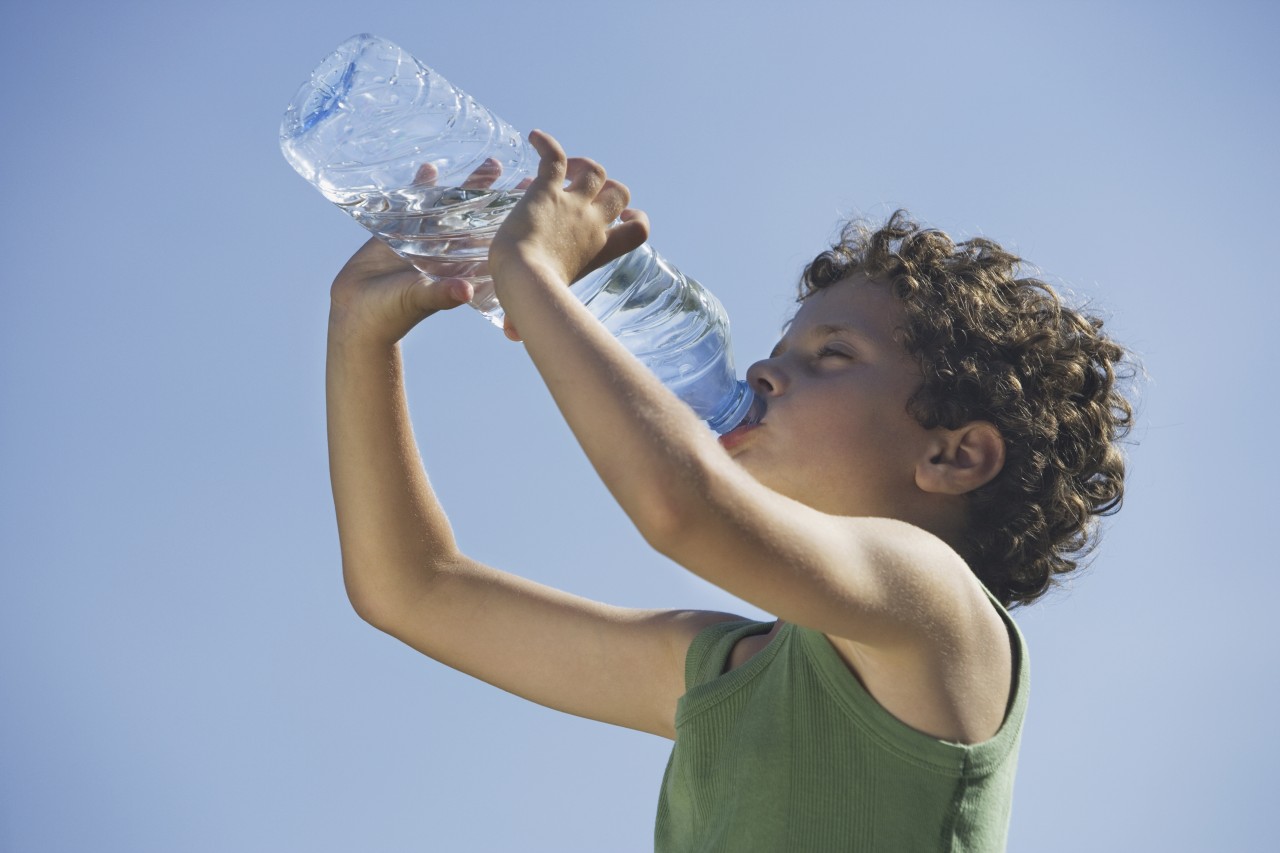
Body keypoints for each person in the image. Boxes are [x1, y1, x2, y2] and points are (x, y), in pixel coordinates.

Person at [325, 130, 1133, 851]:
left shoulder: (936, 613)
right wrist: (361, 331)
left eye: (832, 355)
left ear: (955, 456)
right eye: (781, 348)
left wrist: (532, 270)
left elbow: (682, 505)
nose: (760, 371)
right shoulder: (721, 668)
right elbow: (412, 590)